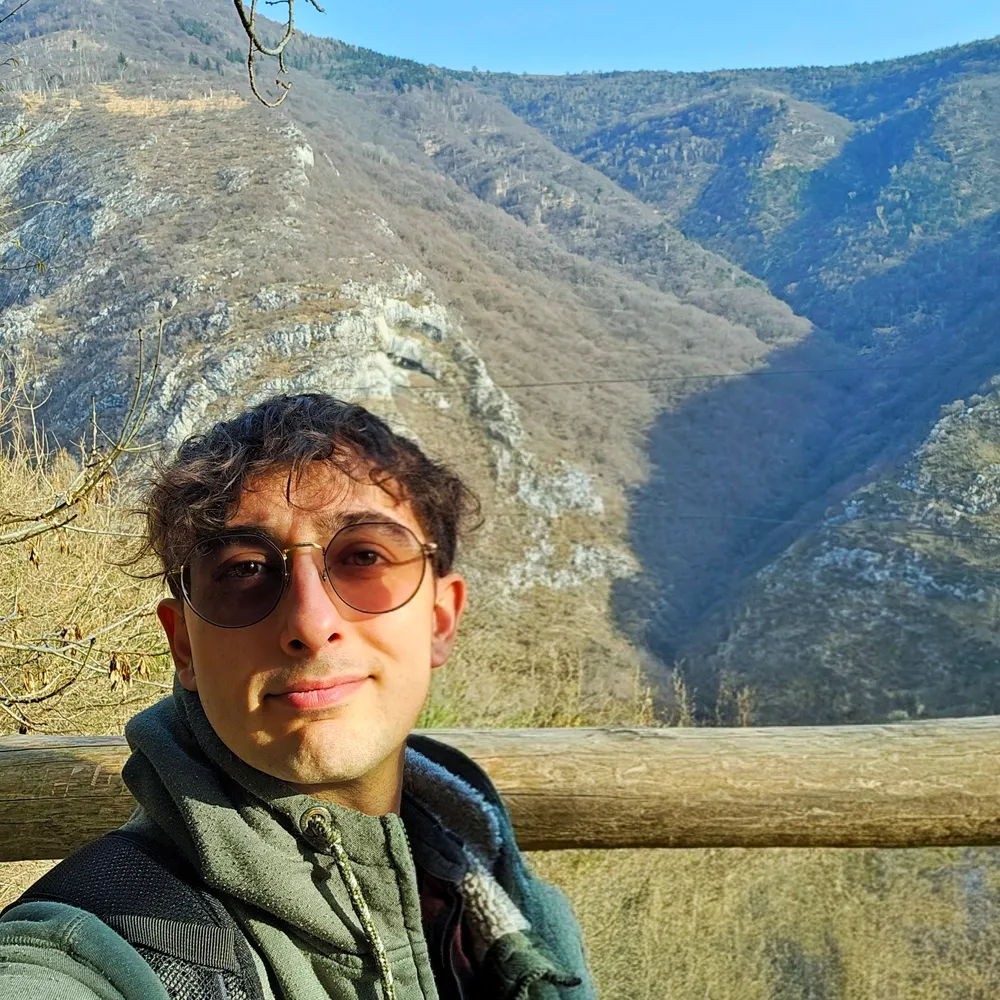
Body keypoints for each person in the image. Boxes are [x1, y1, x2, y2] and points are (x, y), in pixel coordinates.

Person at [0, 394, 595, 1000]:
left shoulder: (507, 899)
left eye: (364, 557)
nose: (310, 623)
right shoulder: (98, 946)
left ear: (440, 620)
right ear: (184, 646)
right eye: (244, 570)